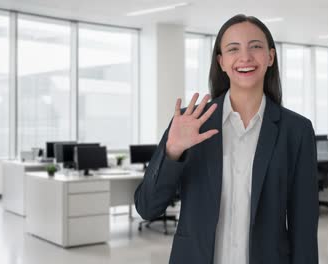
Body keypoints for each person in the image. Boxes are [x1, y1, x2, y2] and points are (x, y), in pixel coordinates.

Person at [134, 14, 318, 264]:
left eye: (255, 47)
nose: (245, 57)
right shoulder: (192, 122)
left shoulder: (296, 130)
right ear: (221, 61)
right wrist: (173, 151)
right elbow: (147, 207)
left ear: (270, 57)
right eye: (233, 49)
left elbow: (304, 225)